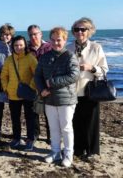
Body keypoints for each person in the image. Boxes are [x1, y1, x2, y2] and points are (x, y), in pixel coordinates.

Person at [34, 27, 80, 168]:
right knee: (53, 127)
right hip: (49, 98)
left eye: (59, 40)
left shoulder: (70, 56)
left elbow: (74, 75)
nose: (55, 43)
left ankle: (68, 154)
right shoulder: (45, 56)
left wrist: (52, 82)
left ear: (65, 40)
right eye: (53, 40)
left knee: (66, 128)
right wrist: (41, 89)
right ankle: (55, 152)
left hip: (66, 99)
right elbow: (38, 75)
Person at [67, 17, 109, 161]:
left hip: (90, 91)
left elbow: (104, 70)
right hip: (72, 91)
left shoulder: (96, 48)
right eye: (77, 29)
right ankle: (78, 149)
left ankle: (92, 150)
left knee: (91, 122)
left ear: (89, 31)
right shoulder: (68, 48)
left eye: (83, 29)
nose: (80, 32)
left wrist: (91, 68)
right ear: (73, 32)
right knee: (75, 121)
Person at [1, 35, 37, 150]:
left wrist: (31, 86)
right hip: (13, 94)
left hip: (28, 94)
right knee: (15, 118)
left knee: (29, 117)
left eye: (21, 45)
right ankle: (16, 138)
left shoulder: (30, 58)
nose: (18, 47)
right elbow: (4, 75)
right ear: (13, 46)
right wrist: (6, 88)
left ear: (25, 45)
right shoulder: (9, 59)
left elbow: (37, 74)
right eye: (16, 45)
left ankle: (30, 139)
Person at [27, 25, 52, 144]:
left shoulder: (49, 47)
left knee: (49, 111)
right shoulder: (26, 48)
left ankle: (50, 136)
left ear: (41, 34)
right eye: (31, 34)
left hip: (47, 84)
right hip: (32, 84)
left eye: (35, 34)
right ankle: (35, 134)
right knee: (34, 111)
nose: (33, 37)